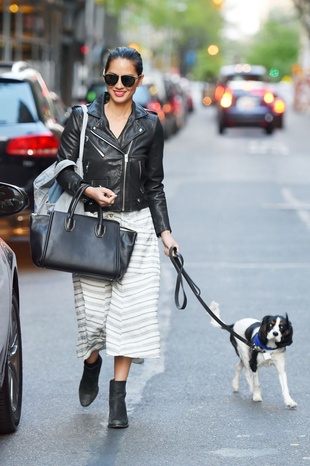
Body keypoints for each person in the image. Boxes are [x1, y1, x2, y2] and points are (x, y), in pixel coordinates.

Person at [56, 46, 179, 428]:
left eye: (128, 79)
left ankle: (118, 397)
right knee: (93, 320)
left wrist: (166, 233)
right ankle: (92, 362)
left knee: (130, 317)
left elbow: (154, 184)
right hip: (95, 228)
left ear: (139, 81)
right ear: (104, 78)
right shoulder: (81, 118)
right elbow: (62, 169)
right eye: (112, 78)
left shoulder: (150, 125)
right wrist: (88, 191)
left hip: (138, 228)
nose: (119, 86)